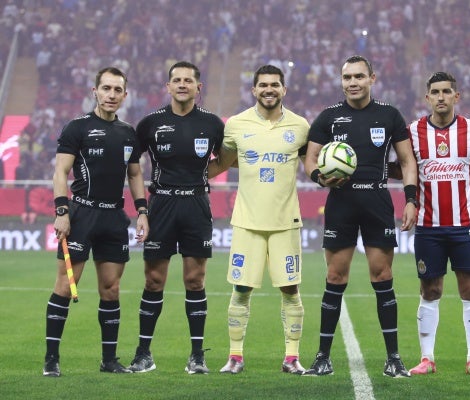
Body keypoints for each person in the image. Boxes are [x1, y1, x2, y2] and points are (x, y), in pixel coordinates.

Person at [303, 55, 418, 378]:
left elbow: (407, 161)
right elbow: (310, 159)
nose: (352, 82)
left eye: (358, 76)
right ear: (342, 81)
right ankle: (322, 357)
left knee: (382, 277)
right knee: (335, 277)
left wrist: (411, 200)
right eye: (347, 77)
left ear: (372, 79)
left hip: (377, 201)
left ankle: (393, 358)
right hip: (340, 202)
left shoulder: (389, 115)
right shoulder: (329, 117)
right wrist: (319, 178)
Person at [43, 67, 149, 377]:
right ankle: (51, 359)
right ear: (95, 92)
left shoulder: (129, 133)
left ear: (125, 96)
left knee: (111, 289)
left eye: (117, 90)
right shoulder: (77, 128)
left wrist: (142, 211)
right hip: (81, 214)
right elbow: (61, 172)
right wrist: (62, 212)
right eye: (106, 89)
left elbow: (135, 174)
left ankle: (109, 360)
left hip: (114, 217)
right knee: (64, 285)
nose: (111, 95)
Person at [404, 72, 470, 377]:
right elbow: (403, 167)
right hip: (427, 226)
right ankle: (427, 358)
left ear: (456, 96)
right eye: (434, 92)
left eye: (446, 91)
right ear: (427, 97)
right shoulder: (413, 132)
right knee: (430, 289)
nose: (440, 97)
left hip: (465, 225)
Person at [208, 64, 309, 375]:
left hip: (286, 223)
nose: (269, 89)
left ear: (284, 90)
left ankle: (291, 358)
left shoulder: (301, 126)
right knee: (241, 290)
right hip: (247, 224)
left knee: (291, 290)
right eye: (263, 85)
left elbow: (314, 167)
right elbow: (220, 165)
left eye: (275, 85)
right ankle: (235, 357)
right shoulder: (236, 125)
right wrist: (184, 175)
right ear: (253, 90)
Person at [128, 61, 224, 374]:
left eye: (188, 80)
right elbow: (133, 166)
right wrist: (142, 208)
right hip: (161, 206)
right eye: (176, 80)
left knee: (195, 280)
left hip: (196, 205)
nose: (182, 84)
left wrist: (202, 177)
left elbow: (226, 158)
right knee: (154, 280)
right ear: (168, 87)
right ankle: (143, 353)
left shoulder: (212, 124)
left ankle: (197, 355)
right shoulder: (150, 123)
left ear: (199, 88)